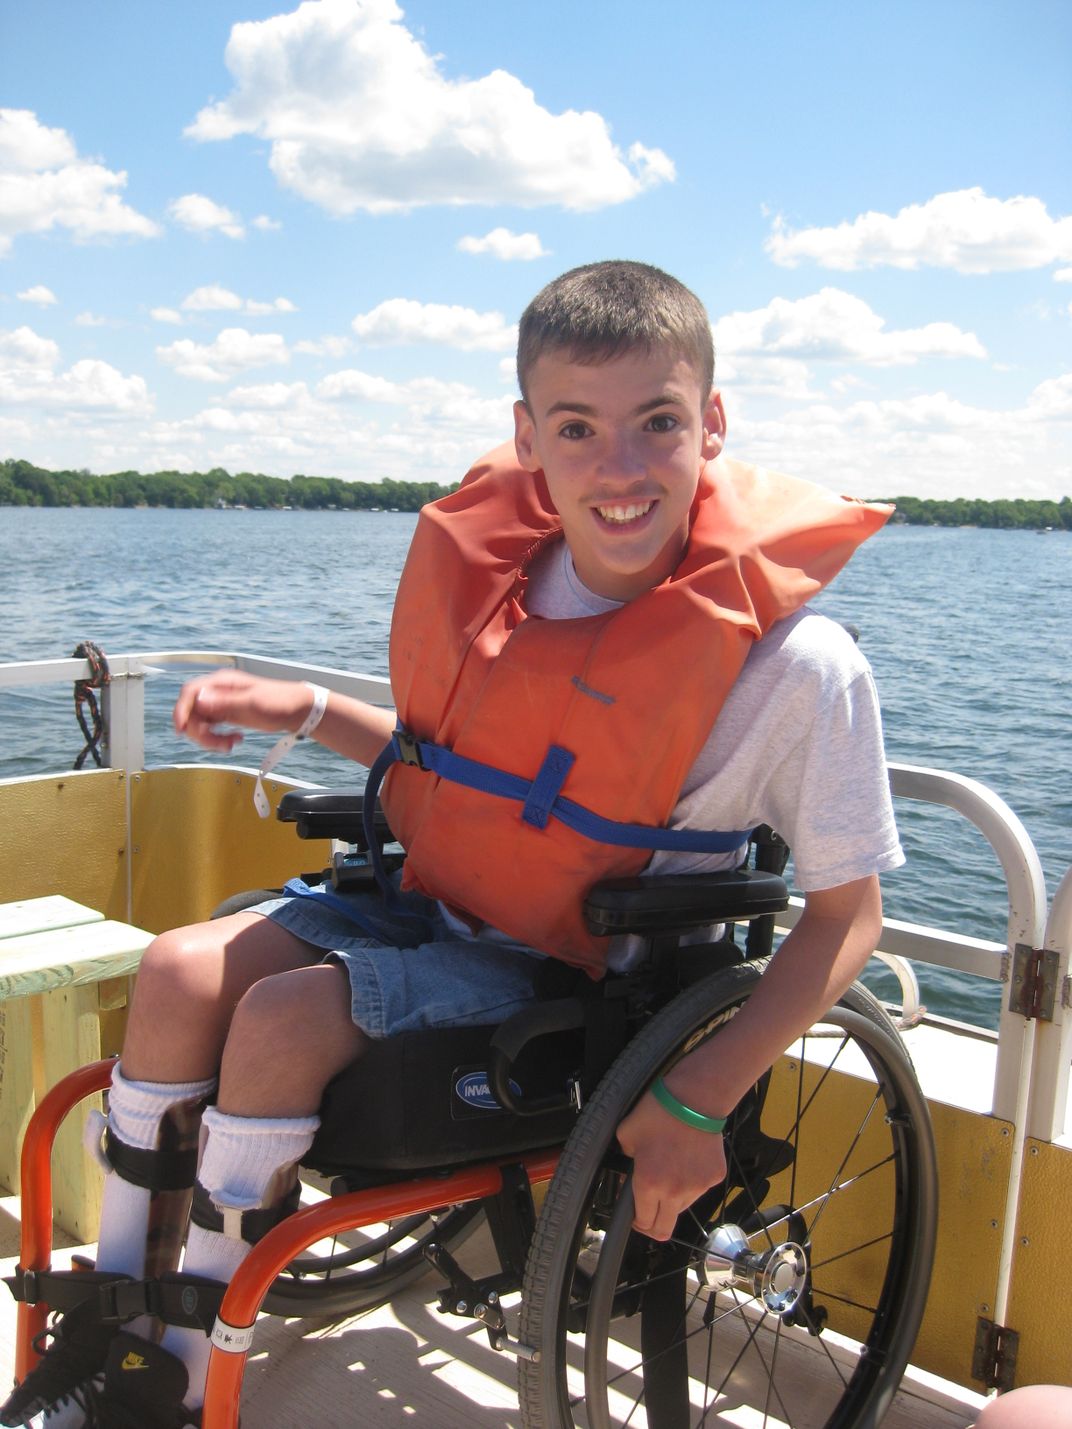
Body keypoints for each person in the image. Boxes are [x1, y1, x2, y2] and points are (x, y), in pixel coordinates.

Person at [2, 260, 903, 1428]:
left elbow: (848, 920)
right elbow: (473, 776)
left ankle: (169, 1370)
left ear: (713, 425)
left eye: (658, 424)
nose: (619, 469)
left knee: (275, 1024)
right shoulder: (509, 583)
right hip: (428, 895)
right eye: (577, 428)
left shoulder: (798, 670)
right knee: (177, 965)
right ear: (527, 438)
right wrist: (310, 712)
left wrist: (702, 1091)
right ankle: (112, 1332)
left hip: (566, 968)